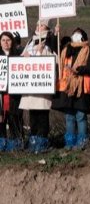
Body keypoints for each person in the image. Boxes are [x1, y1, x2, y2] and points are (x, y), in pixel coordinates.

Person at [53, 27, 90, 149]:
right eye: (74, 34)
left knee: (81, 116)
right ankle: (70, 142)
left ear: (83, 38)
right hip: (67, 89)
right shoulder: (65, 51)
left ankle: (82, 142)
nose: (76, 36)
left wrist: (78, 70)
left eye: (79, 34)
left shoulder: (88, 52)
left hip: (81, 89)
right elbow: (54, 47)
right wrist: (55, 34)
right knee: (69, 116)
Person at [19, 19, 57, 153]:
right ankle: (33, 141)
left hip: (42, 86)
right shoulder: (31, 41)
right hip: (30, 86)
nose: (38, 27)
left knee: (42, 115)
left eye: (41, 25)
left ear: (46, 28)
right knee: (33, 115)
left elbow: (55, 60)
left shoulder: (50, 41)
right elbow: (21, 59)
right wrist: (24, 57)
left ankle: (42, 142)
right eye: (37, 25)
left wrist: (41, 52)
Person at [0, 31, 23, 151]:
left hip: (14, 94)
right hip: (1, 94)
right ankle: (2, 143)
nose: (6, 43)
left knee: (14, 117)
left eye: (8, 40)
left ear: (12, 42)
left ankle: (16, 144)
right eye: (3, 40)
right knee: (1, 119)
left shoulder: (17, 54)